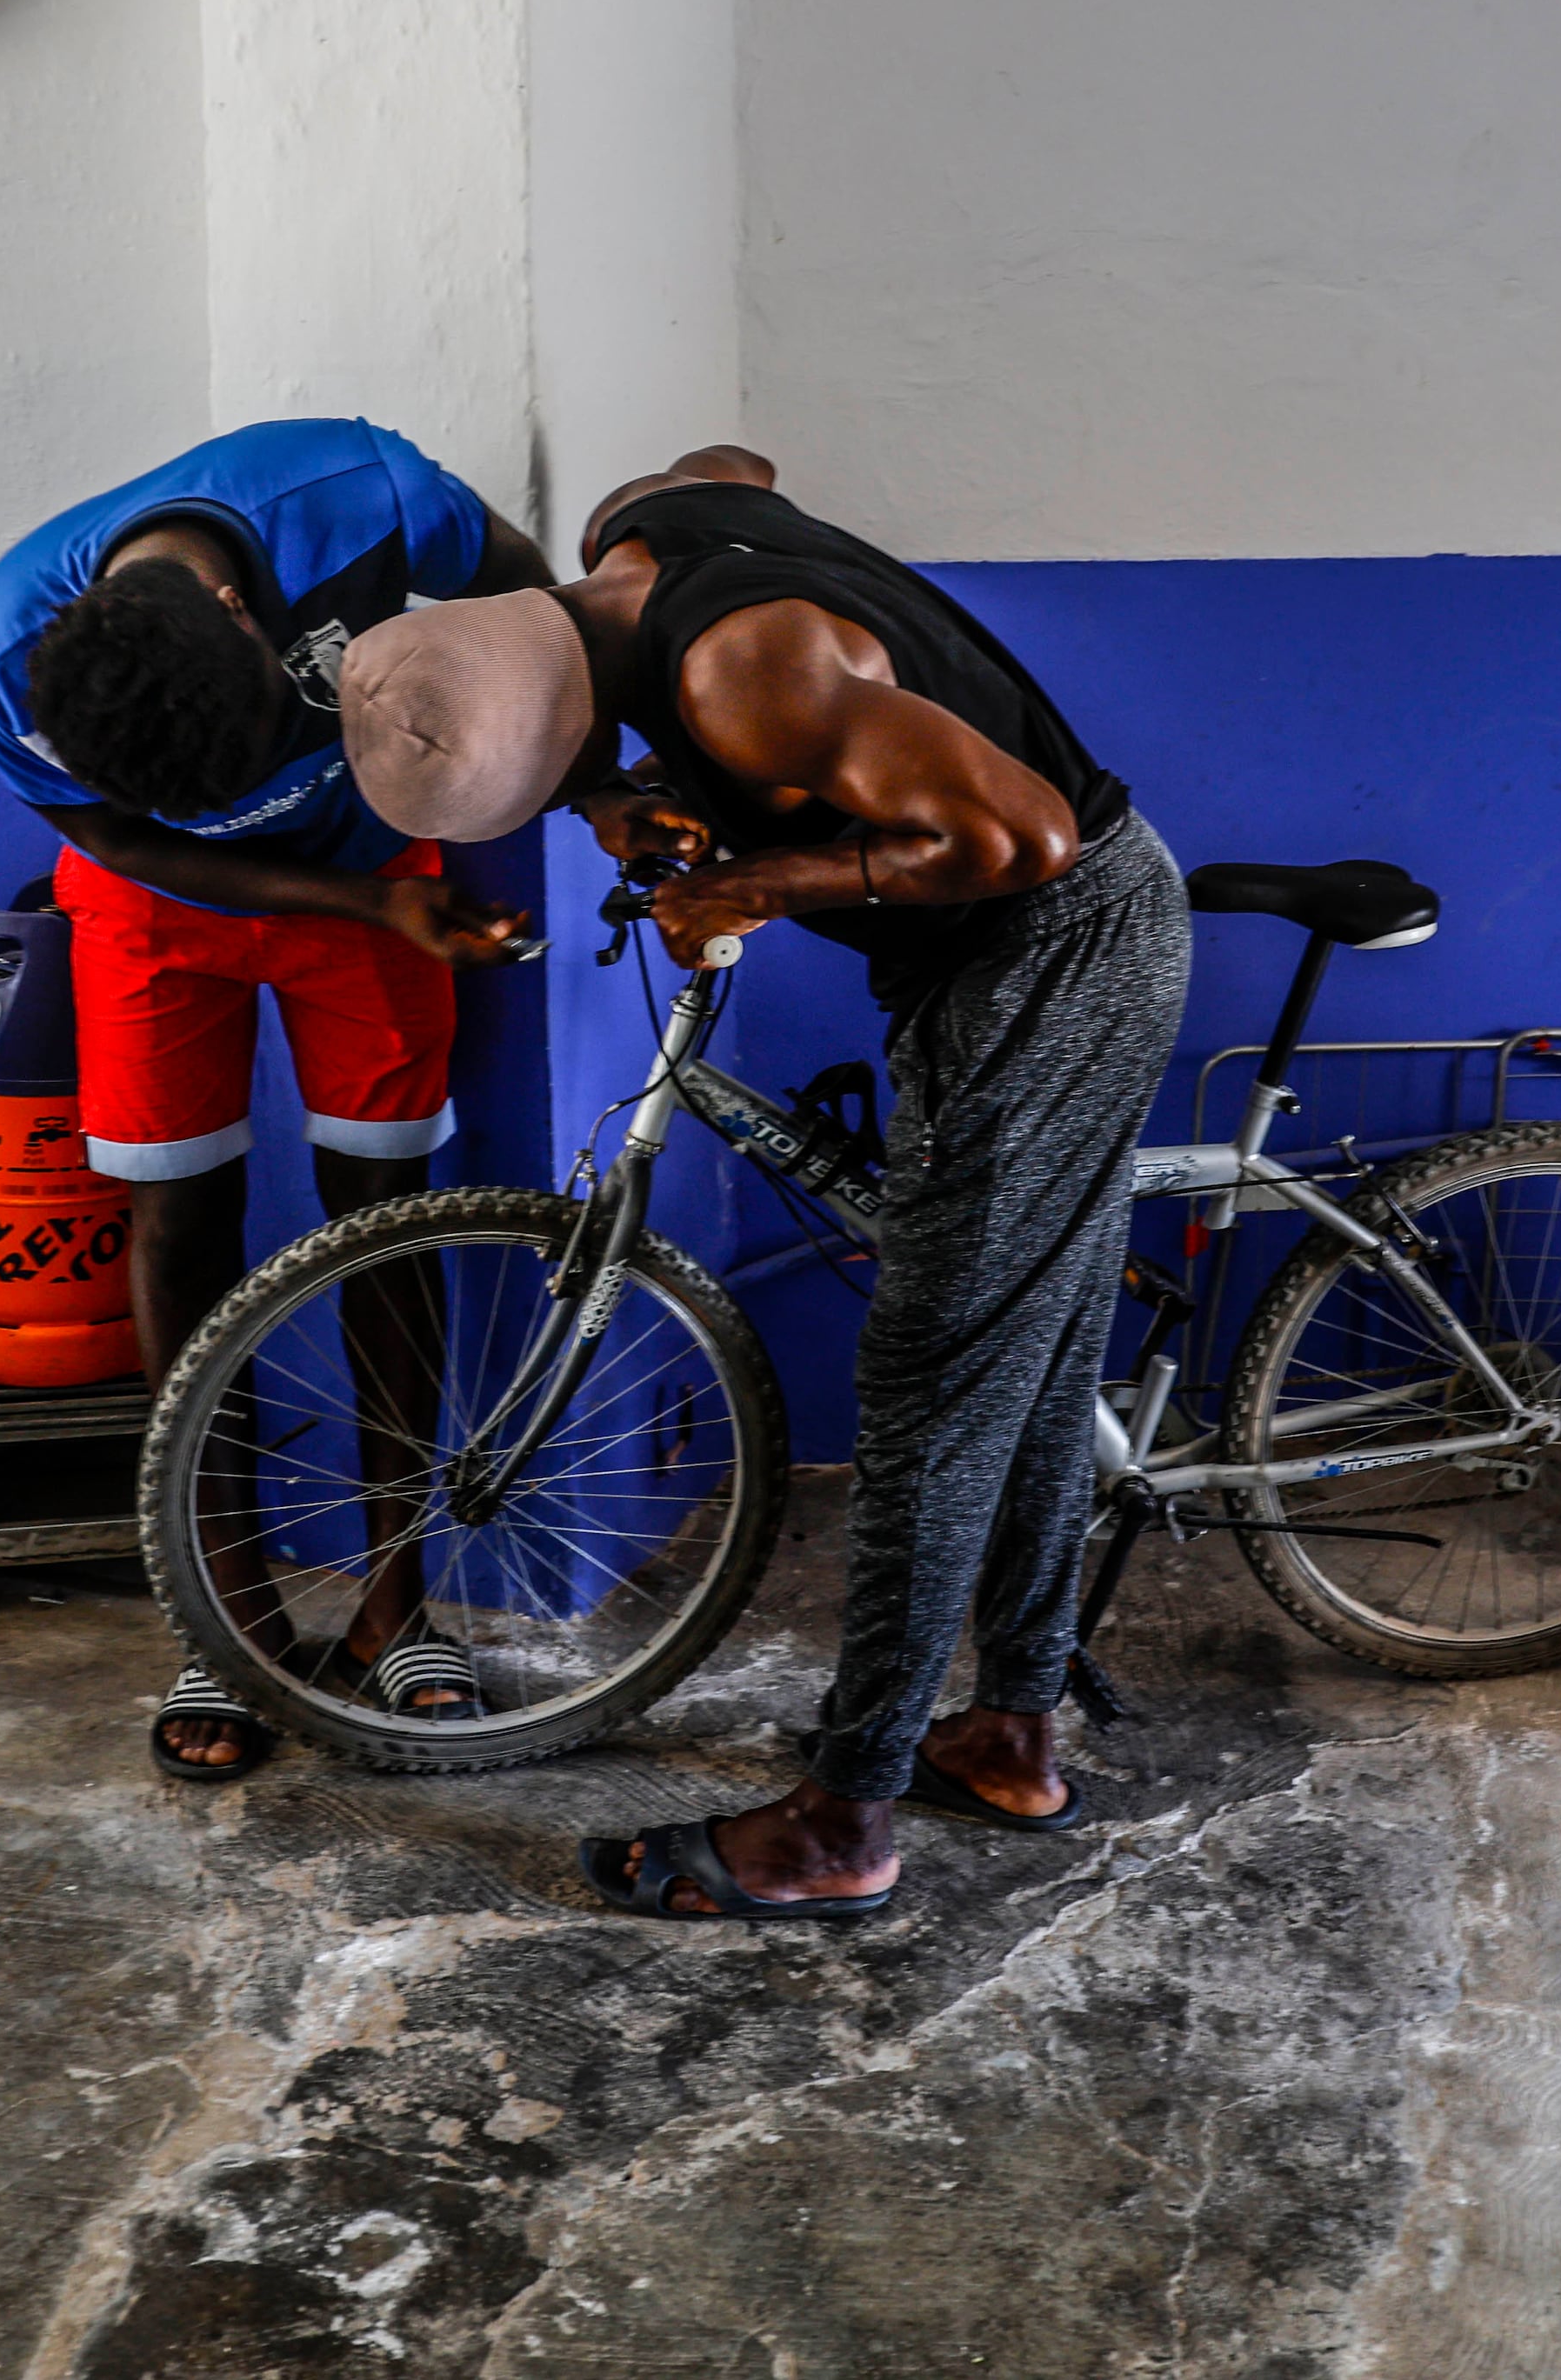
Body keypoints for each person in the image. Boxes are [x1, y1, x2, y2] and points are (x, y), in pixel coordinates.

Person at [335, 446, 1188, 1920]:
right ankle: (1012, 1736)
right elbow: (739, 466)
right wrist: (665, 808)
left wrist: (756, 884)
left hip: (1055, 955)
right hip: (1053, 959)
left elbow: (1019, 837)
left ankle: (845, 1823)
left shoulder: (744, 674)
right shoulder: (641, 532)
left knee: (933, 1383)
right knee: (1032, 1372)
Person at [0, 417, 551, 1779]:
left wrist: (559, 782)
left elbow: (544, 612)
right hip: (162, 912)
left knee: (384, 1221)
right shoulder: (1, 662)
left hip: (381, 881)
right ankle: (222, 1615)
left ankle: (398, 1608)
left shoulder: (366, 499)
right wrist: (357, 895)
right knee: (178, 1228)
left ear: (242, 610)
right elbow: (110, 834)